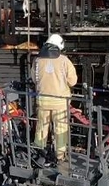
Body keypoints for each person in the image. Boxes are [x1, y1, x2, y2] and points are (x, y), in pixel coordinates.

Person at [32, 34, 77, 164]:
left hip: (42, 101)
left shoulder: (37, 60)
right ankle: (60, 156)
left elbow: (35, 79)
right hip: (60, 102)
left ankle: (39, 152)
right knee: (60, 129)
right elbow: (73, 81)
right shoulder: (64, 61)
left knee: (41, 126)